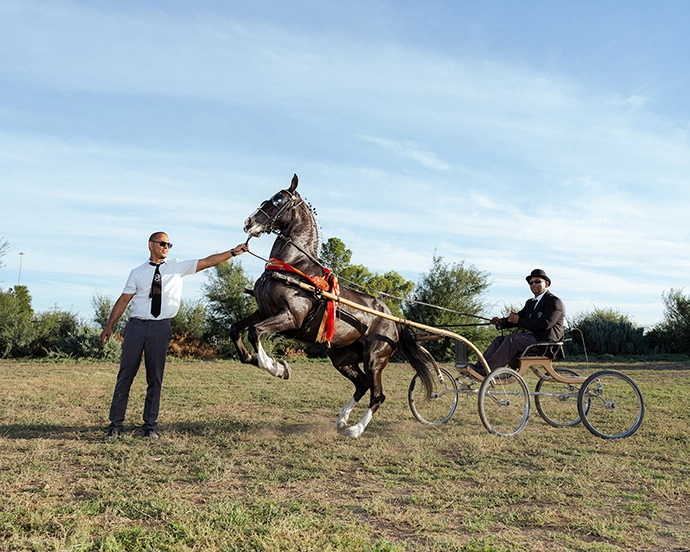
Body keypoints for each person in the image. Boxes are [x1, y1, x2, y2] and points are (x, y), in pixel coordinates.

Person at [100, 232, 249, 441]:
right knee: (125, 376)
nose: (166, 247)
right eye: (162, 244)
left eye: (169, 244)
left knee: (155, 378)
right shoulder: (137, 272)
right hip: (136, 327)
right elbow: (124, 300)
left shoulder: (177, 267)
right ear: (151, 245)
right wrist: (109, 326)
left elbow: (207, 261)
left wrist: (233, 252)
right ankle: (115, 426)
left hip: (160, 328)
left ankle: (149, 426)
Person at [474, 269, 565, 374]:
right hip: (530, 339)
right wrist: (501, 322)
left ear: (546, 283)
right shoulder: (530, 303)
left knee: (512, 340)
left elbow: (545, 324)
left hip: (546, 342)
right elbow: (517, 319)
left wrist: (519, 320)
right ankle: (480, 366)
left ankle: (488, 370)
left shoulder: (553, 301)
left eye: (537, 281)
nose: (533, 284)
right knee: (499, 340)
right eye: (531, 283)